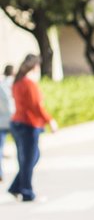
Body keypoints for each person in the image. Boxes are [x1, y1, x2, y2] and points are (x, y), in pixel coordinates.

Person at [8, 54, 57, 202]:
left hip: (16, 123)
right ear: (35, 67)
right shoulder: (29, 84)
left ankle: (16, 187)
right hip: (28, 124)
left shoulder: (17, 82)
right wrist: (50, 120)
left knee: (27, 159)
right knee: (30, 159)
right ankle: (26, 192)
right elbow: (36, 106)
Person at [0, 63, 14, 182]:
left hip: (2, 121)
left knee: (0, 148)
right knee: (22, 148)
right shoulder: (15, 84)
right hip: (15, 120)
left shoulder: (1, 85)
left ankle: (0, 173)